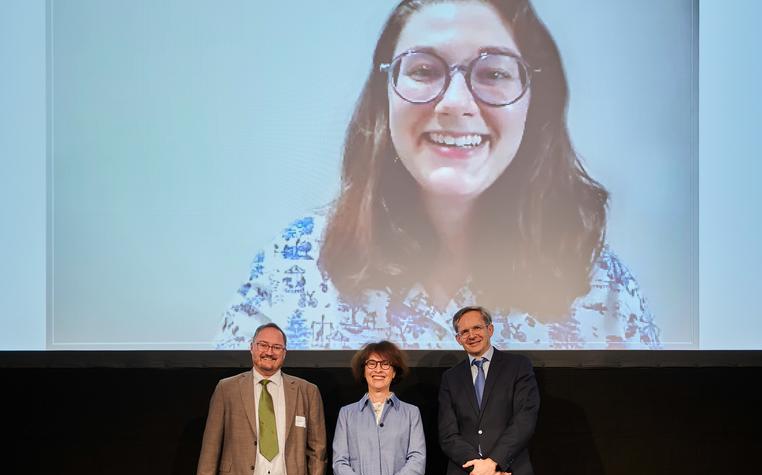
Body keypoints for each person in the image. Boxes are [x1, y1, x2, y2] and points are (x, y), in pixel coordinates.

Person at [216, 0, 660, 351]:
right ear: (383, 97)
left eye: (494, 73)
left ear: (534, 104)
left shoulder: (601, 287)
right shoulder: (291, 267)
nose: (455, 102)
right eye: (425, 70)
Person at [194, 323, 327, 475]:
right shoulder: (226, 389)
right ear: (251, 347)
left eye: (276, 347)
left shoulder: (307, 391)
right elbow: (211, 447)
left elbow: (317, 451)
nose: (269, 352)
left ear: (285, 352)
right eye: (263, 345)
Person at [438, 306, 540, 475]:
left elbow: (525, 419)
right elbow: (447, 434)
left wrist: (494, 463)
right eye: (464, 332)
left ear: (490, 329)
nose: (471, 335)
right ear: (458, 338)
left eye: (477, 327)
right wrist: (478, 466)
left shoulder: (518, 366)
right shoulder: (450, 378)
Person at [332, 341, 426, 475]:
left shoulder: (411, 413)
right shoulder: (347, 413)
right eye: (372, 363)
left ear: (394, 371)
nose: (378, 369)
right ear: (364, 370)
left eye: (385, 364)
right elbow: (339, 463)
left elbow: (417, 461)